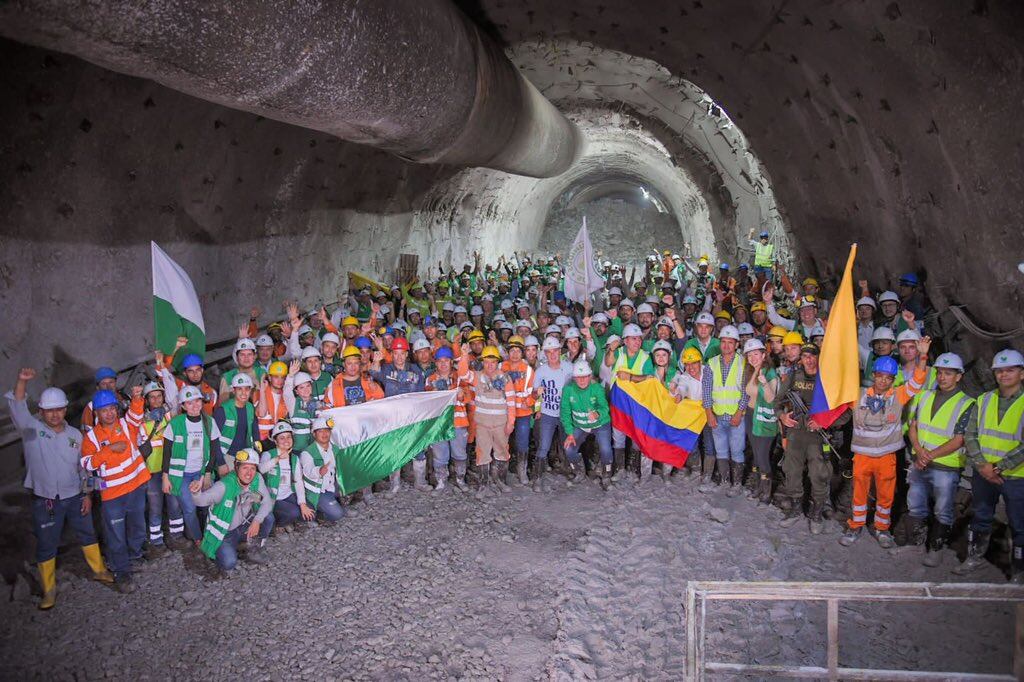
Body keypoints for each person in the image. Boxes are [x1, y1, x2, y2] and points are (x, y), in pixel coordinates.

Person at [8, 368, 113, 609]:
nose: (54, 415)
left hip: (75, 496)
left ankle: (98, 570)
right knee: (46, 543)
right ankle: (49, 590)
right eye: (49, 411)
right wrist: (22, 381)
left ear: (65, 410)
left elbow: (84, 467)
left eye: (58, 410)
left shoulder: (75, 435)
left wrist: (88, 494)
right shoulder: (31, 430)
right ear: (41, 411)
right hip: (45, 500)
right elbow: (18, 405)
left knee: (87, 533)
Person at [839, 336, 931, 548]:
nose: (883, 381)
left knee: (886, 495)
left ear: (892, 379)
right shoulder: (858, 395)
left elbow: (917, 381)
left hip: (886, 457)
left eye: (888, 378)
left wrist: (923, 355)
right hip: (862, 456)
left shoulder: (897, 396)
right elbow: (838, 384)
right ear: (873, 376)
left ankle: (882, 529)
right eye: (880, 376)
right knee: (859, 493)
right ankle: (855, 526)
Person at [954, 348, 1024, 582]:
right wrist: (983, 465)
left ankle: (1018, 570)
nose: (1004, 375)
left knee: (1019, 523)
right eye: (1000, 371)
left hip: (1015, 475)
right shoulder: (984, 400)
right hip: (983, 472)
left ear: (1021, 374)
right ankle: (974, 557)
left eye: (1010, 370)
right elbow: (970, 434)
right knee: (981, 516)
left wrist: (999, 467)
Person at [906, 352, 975, 567]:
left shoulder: (967, 403)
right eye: (940, 373)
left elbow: (959, 440)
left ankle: (935, 549)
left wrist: (928, 456)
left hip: (946, 466)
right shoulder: (924, 395)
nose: (942, 377)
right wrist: (918, 450)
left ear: (958, 376)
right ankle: (915, 544)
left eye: (948, 373)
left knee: (942, 509)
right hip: (920, 460)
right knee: (915, 504)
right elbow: (913, 426)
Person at [80, 385, 149, 592]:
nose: (109, 413)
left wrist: (137, 398)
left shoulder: (126, 425)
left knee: (137, 526)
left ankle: (135, 555)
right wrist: (108, 450)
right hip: (112, 495)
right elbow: (87, 464)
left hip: (136, 486)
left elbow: (136, 415)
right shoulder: (91, 438)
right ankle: (122, 571)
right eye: (104, 410)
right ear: (97, 414)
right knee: (116, 534)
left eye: (112, 408)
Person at [777, 344, 848, 533]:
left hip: (818, 436)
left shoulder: (828, 380)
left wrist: (824, 423)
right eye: (805, 356)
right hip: (796, 433)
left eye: (812, 356)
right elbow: (777, 402)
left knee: (819, 475)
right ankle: (795, 509)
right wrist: (782, 416)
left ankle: (816, 512)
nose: (809, 360)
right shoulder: (794, 376)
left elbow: (845, 412)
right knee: (792, 472)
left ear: (819, 357)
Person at [193, 448, 273, 574]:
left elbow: (267, 502)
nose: (249, 473)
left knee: (268, 518)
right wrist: (195, 492)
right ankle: (224, 551)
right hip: (224, 533)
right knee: (229, 563)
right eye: (245, 468)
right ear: (236, 467)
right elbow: (200, 501)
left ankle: (249, 547)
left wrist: (257, 521)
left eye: (253, 468)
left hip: (243, 525)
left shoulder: (257, 479)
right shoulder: (224, 486)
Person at [160, 385, 221, 546]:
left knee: (209, 505)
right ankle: (197, 538)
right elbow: (167, 453)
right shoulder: (175, 424)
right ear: (182, 406)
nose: (194, 406)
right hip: (180, 475)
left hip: (201, 472)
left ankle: (212, 534)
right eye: (189, 403)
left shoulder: (209, 422)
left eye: (197, 401)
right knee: (188, 508)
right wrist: (165, 477)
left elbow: (214, 452)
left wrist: (206, 474)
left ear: (202, 402)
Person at [370, 336, 427, 494]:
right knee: (394, 449)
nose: (399, 357)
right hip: (393, 417)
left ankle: (420, 482)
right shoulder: (386, 369)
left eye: (402, 353)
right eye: (396, 353)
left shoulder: (415, 370)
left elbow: (422, 393)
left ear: (407, 354)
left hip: (412, 417)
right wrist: (375, 361)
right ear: (392, 354)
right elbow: (374, 375)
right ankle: (394, 485)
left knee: (418, 447)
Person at [460, 345, 515, 494]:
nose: (489, 365)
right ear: (482, 362)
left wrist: (511, 422)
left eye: (492, 362)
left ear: (497, 362)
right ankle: (483, 484)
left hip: (500, 424)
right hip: (482, 424)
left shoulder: (505, 378)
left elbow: (511, 402)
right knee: (482, 454)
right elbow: (463, 374)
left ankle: (500, 481)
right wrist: (464, 355)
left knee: (502, 452)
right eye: (486, 362)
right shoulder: (477, 377)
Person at [701, 325, 748, 494]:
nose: (727, 345)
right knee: (720, 449)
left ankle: (736, 485)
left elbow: (746, 391)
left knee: (737, 450)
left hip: (736, 417)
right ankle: (725, 481)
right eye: (723, 342)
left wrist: (738, 412)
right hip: (717, 414)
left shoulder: (744, 362)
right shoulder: (712, 363)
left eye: (730, 342)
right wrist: (709, 414)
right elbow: (706, 390)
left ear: (737, 344)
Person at [605, 323, 652, 480]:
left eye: (639, 339)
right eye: (633, 339)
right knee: (618, 437)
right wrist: (611, 349)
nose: (637, 342)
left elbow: (649, 379)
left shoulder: (645, 357)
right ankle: (619, 469)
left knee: (636, 437)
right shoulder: (618, 353)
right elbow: (608, 363)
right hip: (619, 404)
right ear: (625, 341)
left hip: (637, 405)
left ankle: (633, 469)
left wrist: (631, 377)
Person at [561, 360, 613, 490]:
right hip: (580, 425)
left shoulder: (597, 388)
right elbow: (565, 413)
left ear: (590, 376)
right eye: (578, 377)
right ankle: (579, 472)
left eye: (585, 376)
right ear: (574, 378)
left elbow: (604, 407)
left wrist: (597, 413)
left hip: (600, 424)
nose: (582, 380)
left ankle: (606, 474)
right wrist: (570, 433)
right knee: (568, 449)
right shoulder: (568, 390)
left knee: (606, 449)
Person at [425, 346, 471, 492]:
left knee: (459, 453)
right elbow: (427, 402)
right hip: (439, 424)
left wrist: (463, 395)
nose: (443, 364)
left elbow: (470, 397)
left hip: (458, 422)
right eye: (440, 361)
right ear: (435, 363)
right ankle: (441, 481)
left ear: (452, 362)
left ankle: (460, 479)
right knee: (440, 454)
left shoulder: (460, 377)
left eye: (446, 360)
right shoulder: (430, 379)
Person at [533, 337, 573, 491]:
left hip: (565, 413)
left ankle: (571, 468)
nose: (552, 354)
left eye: (555, 351)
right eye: (549, 352)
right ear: (545, 354)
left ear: (559, 351)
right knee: (543, 445)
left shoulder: (569, 368)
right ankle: (537, 477)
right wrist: (537, 406)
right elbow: (534, 395)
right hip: (547, 413)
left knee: (568, 443)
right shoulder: (541, 371)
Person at [742, 339, 779, 505]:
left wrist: (765, 383)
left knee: (763, 456)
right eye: (749, 355)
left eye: (756, 354)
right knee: (756, 454)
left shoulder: (770, 373)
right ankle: (758, 486)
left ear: (764, 355)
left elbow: (772, 399)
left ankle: (766, 491)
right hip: (750, 415)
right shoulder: (751, 371)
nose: (752, 357)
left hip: (764, 418)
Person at [500, 336, 535, 486]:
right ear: (507, 352)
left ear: (522, 353)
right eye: (512, 350)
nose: (515, 354)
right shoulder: (500, 367)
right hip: (504, 413)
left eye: (518, 350)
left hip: (522, 413)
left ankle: (522, 470)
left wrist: (528, 402)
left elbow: (532, 393)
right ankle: (502, 472)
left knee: (522, 442)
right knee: (502, 442)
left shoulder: (527, 370)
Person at [298, 416, 345, 524]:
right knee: (338, 514)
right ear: (314, 434)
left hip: (331, 485)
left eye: (327, 430)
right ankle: (320, 514)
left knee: (345, 493)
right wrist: (319, 471)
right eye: (320, 431)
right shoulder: (307, 453)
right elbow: (309, 470)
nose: (324, 434)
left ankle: (330, 503)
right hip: (318, 490)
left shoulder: (335, 449)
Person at [258, 421, 305, 528]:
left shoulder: (294, 458)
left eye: (289, 437)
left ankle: (288, 519)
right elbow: (261, 469)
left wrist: (303, 504)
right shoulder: (268, 454)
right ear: (275, 440)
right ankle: (278, 525)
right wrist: (277, 459)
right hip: (273, 497)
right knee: (294, 512)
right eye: (282, 438)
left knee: (308, 508)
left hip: (288, 494)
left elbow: (298, 481)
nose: (286, 440)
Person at [212, 373, 260, 474]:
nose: (244, 393)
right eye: (239, 389)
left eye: (247, 389)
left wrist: (257, 448)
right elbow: (213, 439)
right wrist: (221, 463)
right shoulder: (222, 410)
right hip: (227, 456)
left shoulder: (250, 407)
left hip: (245, 456)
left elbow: (255, 430)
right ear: (233, 391)